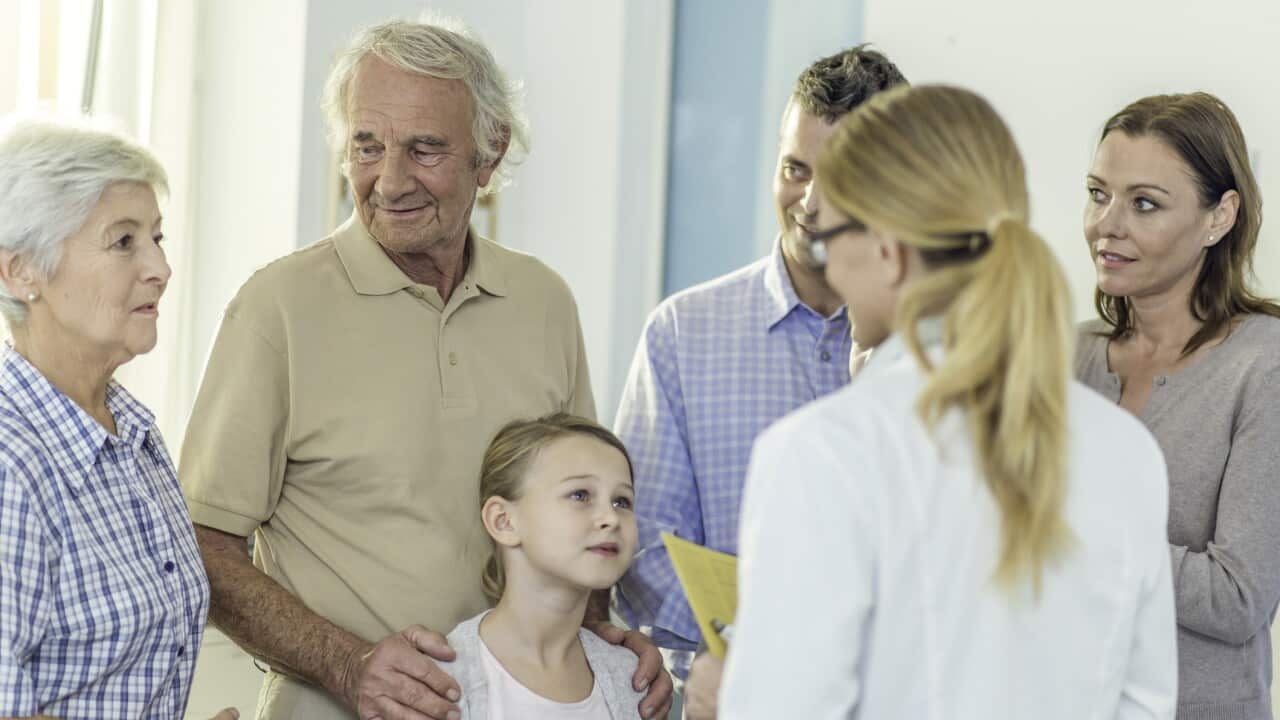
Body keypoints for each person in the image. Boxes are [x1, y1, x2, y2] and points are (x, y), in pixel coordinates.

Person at [179, 17, 669, 720]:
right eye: (367, 146)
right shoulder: (275, 308)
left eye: (426, 149)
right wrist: (349, 666)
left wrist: (605, 645)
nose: (390, 180)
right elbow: (200, 546)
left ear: (489, 155)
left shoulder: (543, 301)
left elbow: (578, 511)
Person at [716, 85, 1178, 718]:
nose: (831, 271)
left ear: (886, 251)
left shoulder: (825, 452)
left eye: (827, 240)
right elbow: (1145, 705)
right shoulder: (1126, 450)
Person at [614, 46, 907, 682]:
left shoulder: (944, 347)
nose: (811, 203)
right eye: (795, 169)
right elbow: (645, 544)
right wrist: (770, 646)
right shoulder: (683, 333)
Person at [0, 118, 234, 719]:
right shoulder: (10, 466)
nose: (160, 267)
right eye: (124, 241)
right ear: (21, 271)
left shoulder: (134, 431)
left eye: (158, 237)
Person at [1075, 92, 1280, 720]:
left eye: (1144, 203)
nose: (1108, 224)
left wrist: (1071, 534)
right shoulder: (1069, 355)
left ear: (1220, 217)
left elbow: (1237, 597)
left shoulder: (1263, 366)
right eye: (1098, 193)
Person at [439, 414, 645, 719]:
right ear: (504, 521)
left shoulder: (630, 678)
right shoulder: (441, 679)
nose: (611, 518)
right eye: (580, 495)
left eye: (622, 501)